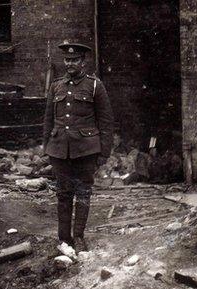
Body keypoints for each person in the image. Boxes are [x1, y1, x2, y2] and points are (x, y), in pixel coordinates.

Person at [42, 41, 114, 251]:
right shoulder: (56, 86)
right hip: (59, 151)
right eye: (67, 60)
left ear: (83, 62)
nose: (70, 64)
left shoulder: (94, 86)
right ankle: (64, 239)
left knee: (83, 193)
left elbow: (106, 121)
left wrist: (104, 153)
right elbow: (48, 119)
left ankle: (79, 237)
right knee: (63, 194)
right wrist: (47, 147)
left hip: (86, 150)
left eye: (74, 60)